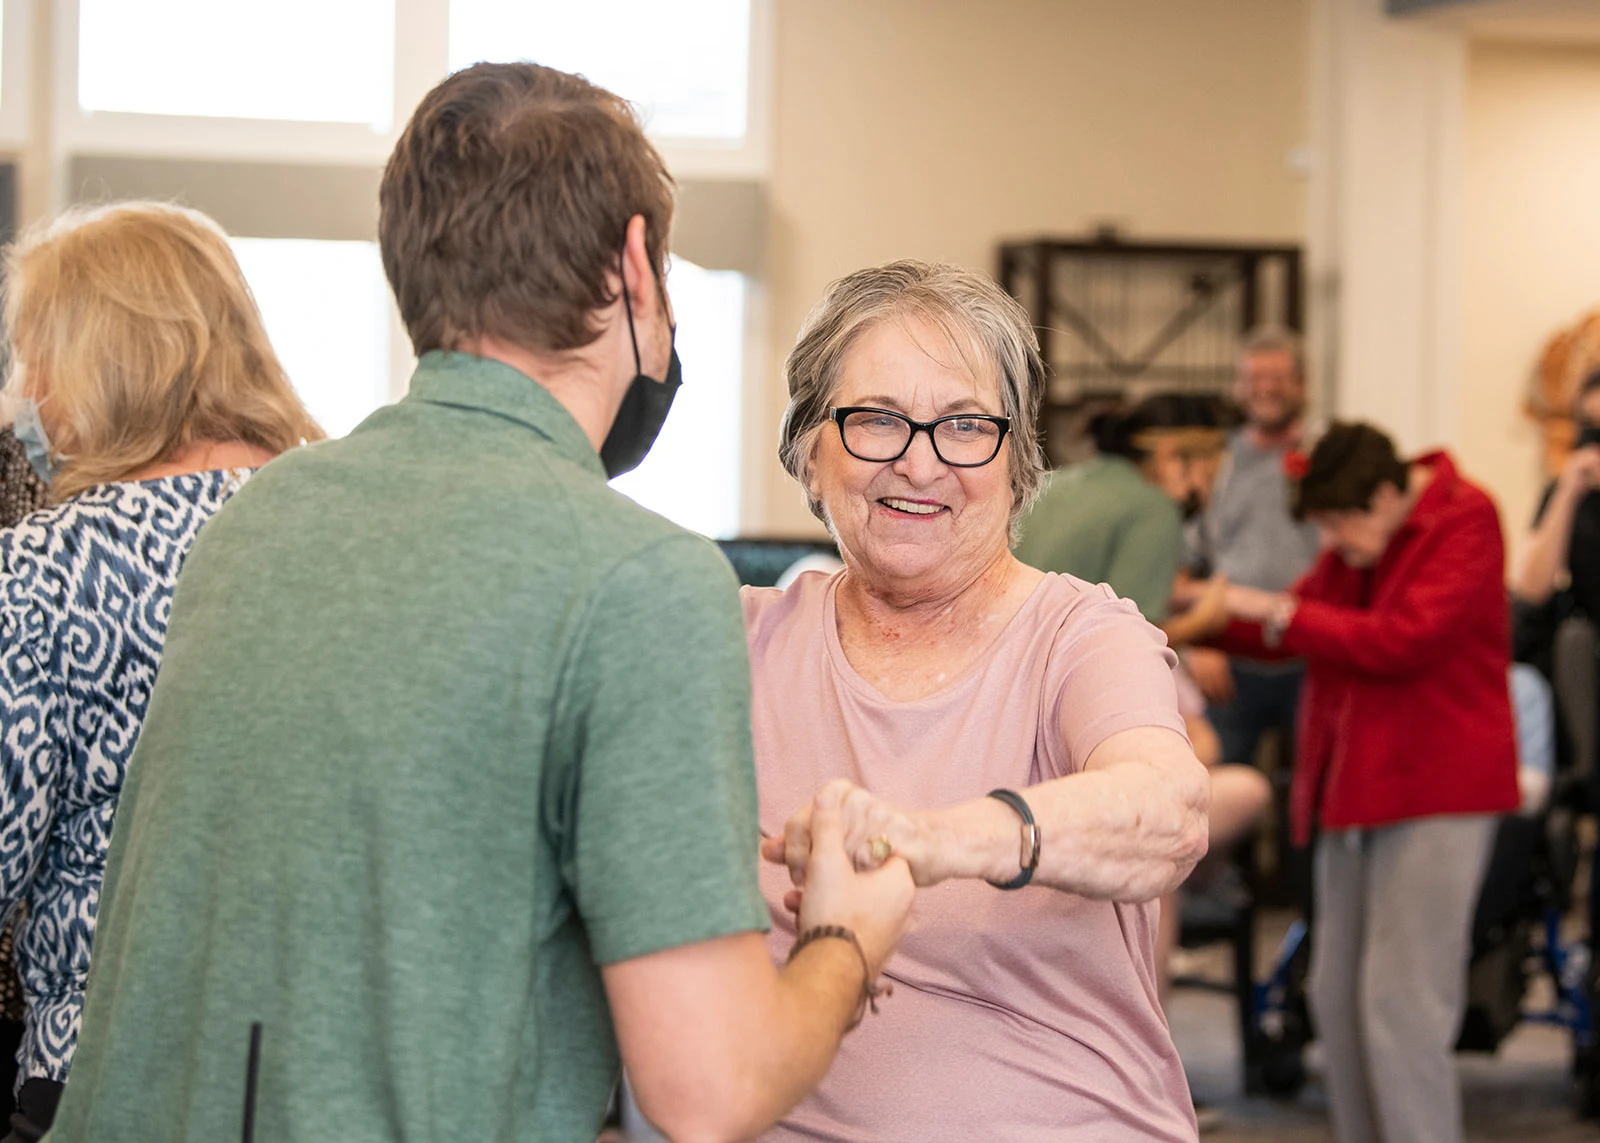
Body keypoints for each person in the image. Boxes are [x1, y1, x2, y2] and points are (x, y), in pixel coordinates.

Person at [48, 64, 913, 1143]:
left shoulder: (257, 523)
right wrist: (847, 935)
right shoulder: (638, 581)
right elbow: (712, 1087)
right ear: (634, 269)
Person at [750, 260, 1211, 1141]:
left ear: (1016, 461)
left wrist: (925, 838)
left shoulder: (1081, 635)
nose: (921, 462)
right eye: (877, 419)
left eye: (965, 424)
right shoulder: (739, 643)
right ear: (811, 450)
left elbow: (1169, 809)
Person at [0, 201, 323, 1141]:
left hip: (110, 1078)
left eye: (35, 359)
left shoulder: (50, 569)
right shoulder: (357, 538)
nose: (24, 397)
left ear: (105, 360)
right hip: (333, 1072)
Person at [1206, 422, 1519, 1143]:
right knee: (1336, 996)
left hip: (1440, 787)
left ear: (1386, 492)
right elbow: (1300, 619)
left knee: (1402, 1004)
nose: (1336, 538)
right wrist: (1204, 620)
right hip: (1355, 785)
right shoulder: (1363, 535)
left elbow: (1400, 638)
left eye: (1343, 521)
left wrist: (1274, 612)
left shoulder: (1467, 516)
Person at [1184, 328, 1320, 815]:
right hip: (1228, 657)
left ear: (1302, 384)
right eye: (1255, 378)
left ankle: (1303, 891)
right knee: (1210, 794)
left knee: (1313, 797)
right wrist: (1198, 643)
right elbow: (1186, 560)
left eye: (1279, 378)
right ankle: (1217, 890)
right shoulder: (1214, 462)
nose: (1266, 388)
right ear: (1240, 387)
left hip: (1314, 654)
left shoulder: (1326, 456)